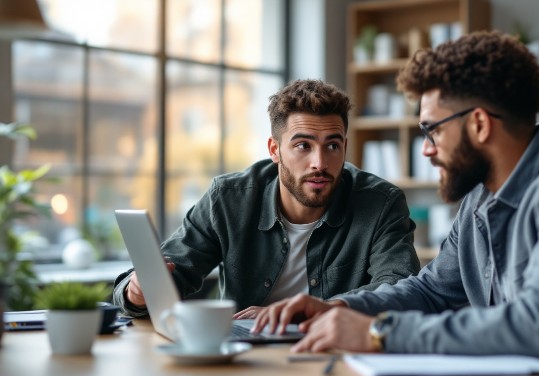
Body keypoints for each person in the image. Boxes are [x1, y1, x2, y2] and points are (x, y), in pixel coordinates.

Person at [253, 32, 539, 373]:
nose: (426, 150)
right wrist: (338, 307)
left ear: (477, 124)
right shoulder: (479, 197)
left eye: (431, 130)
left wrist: (379, 332)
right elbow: (433, 290)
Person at [112, 79, 420, 319]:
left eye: (332, 146)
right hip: (245, 360)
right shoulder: (229, 199)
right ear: (274, 150)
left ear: (345, 147)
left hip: (333, 355)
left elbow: (399, 287)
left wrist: (307, 312)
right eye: (303, 146)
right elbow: (176, 267)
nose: (320, 163)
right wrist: (137, 293)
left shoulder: (381, 203)